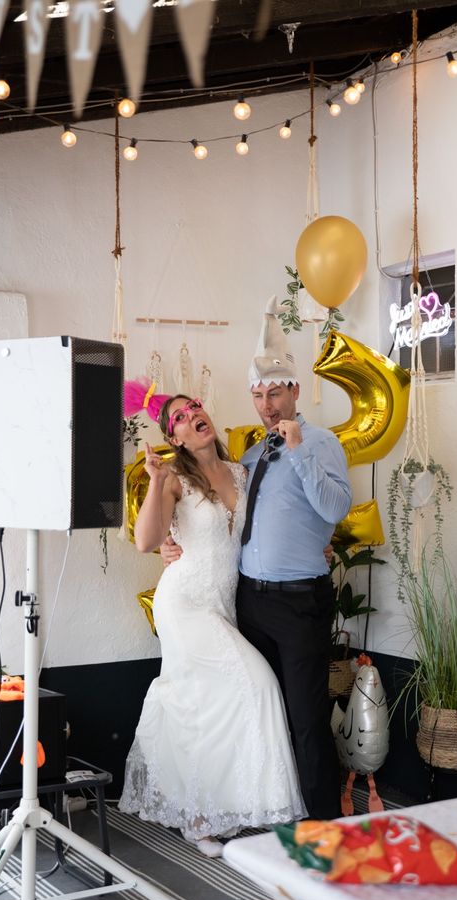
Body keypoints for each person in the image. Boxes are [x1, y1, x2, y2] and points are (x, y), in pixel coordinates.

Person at [162, 299, 352, 819]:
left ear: (295, 390)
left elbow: (337, 507)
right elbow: (224, 519)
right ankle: (271, 810)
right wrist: (168, 541)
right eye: (259, 394)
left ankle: (322, 824)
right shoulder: (247, 458)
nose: (267, 404)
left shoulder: (320, 442)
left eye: (276, 392)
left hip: (297, 603)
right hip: (249, 599)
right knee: (257, 710)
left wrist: (299, 451)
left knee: (307, 716)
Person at [119, 385, 306, 858]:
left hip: (223, 603)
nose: (190, 415)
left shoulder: (242, 473)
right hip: (183, 603)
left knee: (201, 706)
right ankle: (209, 813)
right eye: (179, 417)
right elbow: (147, 541)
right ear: (175, 438)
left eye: (194, 407)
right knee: (257, 682)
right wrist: (157, 481)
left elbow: (270, 527)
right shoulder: (175, 478)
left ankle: (206, 810)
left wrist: (311, 545)